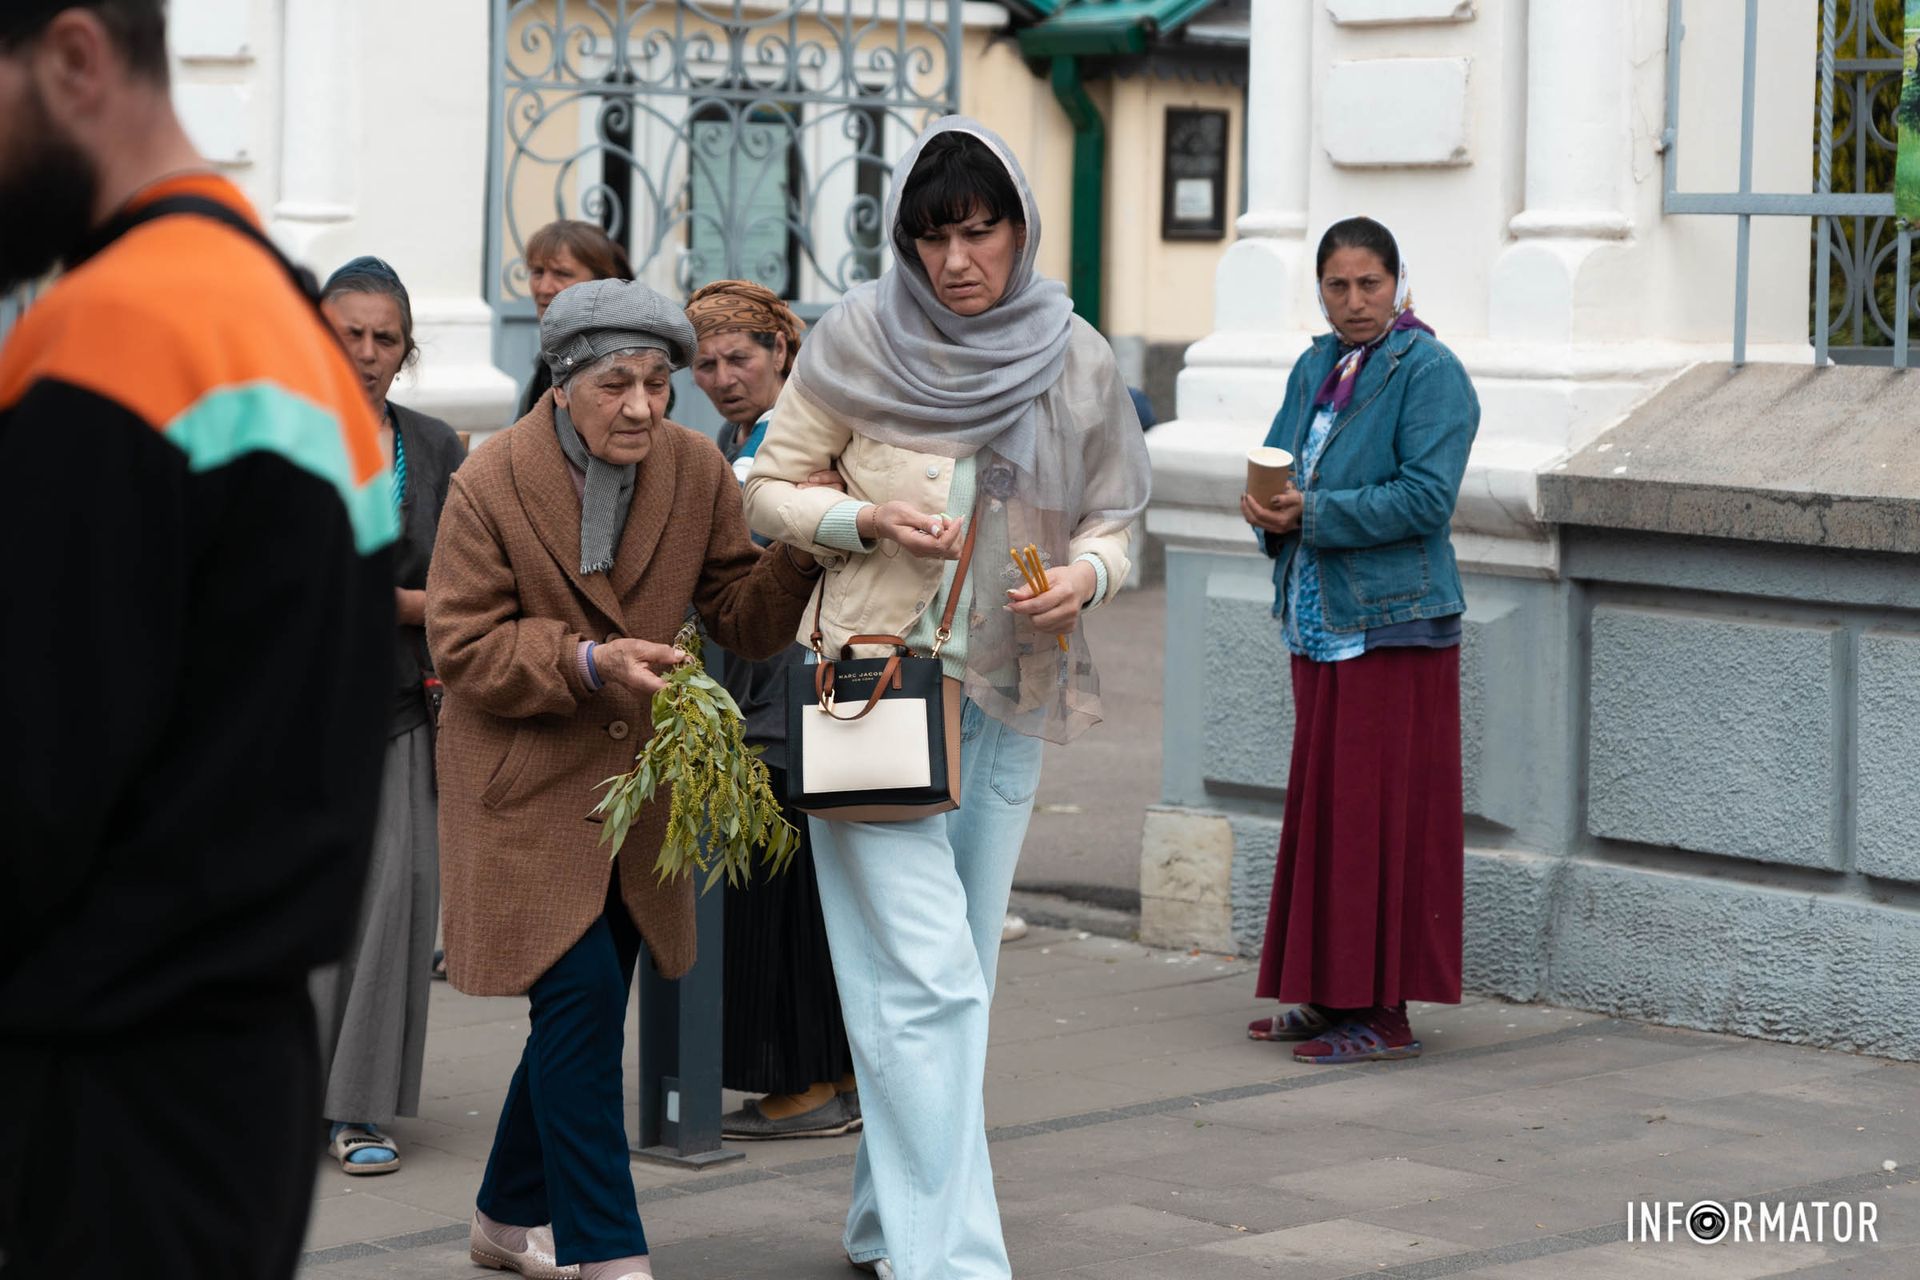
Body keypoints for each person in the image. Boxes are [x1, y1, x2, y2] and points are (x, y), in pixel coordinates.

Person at [0, 3, 396, 1275]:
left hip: (87, 1100)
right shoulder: (282, 328)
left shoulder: (113, 332)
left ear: (73, 57)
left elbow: (31, 778)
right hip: (236, 1088)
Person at [745, 118, 1151, 1280]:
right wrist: (860, 517)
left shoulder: (1073, 354)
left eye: (979, 231)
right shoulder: (856, 339)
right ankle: (956, 1262)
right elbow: (765, 487)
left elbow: (1119, 519)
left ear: (1021, 227)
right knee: (933, 983)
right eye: (933, 237)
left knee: (949, 974)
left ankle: (886, 1220)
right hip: (874, 687)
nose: (956, 259)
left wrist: (1086, 578)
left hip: (1008, 694)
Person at [427, 278, 822, 1279]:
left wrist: (805, 544)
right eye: (617, 385)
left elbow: (740, 613)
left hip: (636, 795)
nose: (644, 406)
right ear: (562, 386)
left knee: (583, 1013)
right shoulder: (489, 481)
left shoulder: (694, 467)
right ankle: (608, 1250)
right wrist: (588, 661)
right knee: (581, 1005)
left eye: (658, 382)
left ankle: (504, 1216)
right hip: (522, 784)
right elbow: (463, 645)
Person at [1239, 215, 1479, 1065]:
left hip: (1394, 628)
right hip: (1318, 621)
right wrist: (1266, 508)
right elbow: (1282, 461)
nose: (1353, 301)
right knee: (1329, 817)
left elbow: (1426, 499)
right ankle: (1330, 995)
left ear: (1398, 283)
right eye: (1336, 285)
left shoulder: (1431, 371)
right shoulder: (1316, 365)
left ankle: (1384, 1013)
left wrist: (1313, 513)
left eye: (1369, 283)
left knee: (1382, 820)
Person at [686, 280, 859, 1141]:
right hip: (772, 686)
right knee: (803, 894)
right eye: (705, 363)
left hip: (792, 690)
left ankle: (803, 1083)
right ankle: (839, 1073)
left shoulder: (800, 438)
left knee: (779, 895)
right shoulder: (742, 438)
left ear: (781, 351)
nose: (722, 377)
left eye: (738, 358)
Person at [311, 256, 468, 1174]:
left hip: (401, 708)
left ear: (405, 351)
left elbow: (468, 585)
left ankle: (359, 1110)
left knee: (392, 907)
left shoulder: (436, 446)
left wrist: (392, 603)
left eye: (386, 339)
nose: (367, 353)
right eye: (350, 334)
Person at [519, 219, 634, 419]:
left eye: (561, 274)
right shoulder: (561, 355)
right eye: (538, 272)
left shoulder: (631, 354)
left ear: (600, 282)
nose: (544, 288)